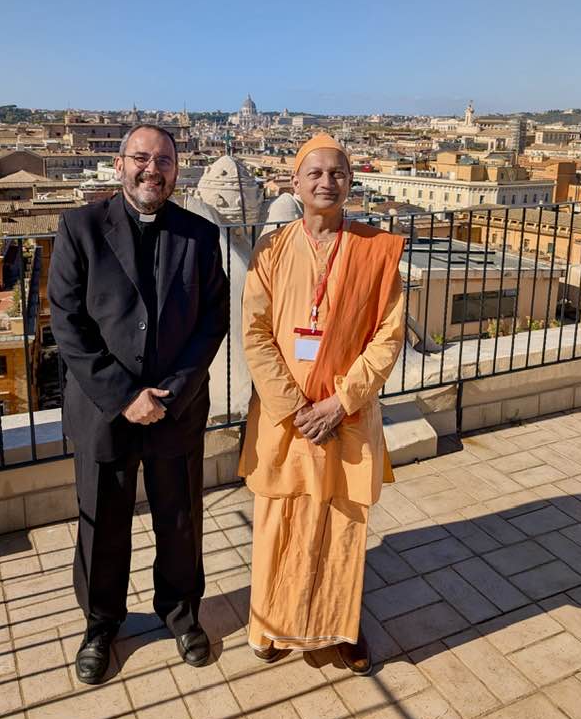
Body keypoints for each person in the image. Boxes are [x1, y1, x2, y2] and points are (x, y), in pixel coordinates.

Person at [48, 124, 229, 685]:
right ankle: (100, 625)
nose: (153, 170)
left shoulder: (200, 235)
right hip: (105, 410)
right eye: (142, 159)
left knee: (180, 519)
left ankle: (181, 615)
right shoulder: (79, 227)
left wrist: (170, 392)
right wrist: (125, 397)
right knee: (102, 522)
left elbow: (213, 320)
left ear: (177, 169)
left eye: (165, 161)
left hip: (175, 407)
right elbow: (68, 323)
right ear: (120, 164)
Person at [239, 133, 405, 674]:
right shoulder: (271, 250)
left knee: (342, 526)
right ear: (296, 182)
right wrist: (295, 407)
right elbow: (255, 333)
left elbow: (388, 336)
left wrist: (339, 402)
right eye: (315, 173)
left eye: (337, 173)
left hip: (346, 416)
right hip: (285, 417)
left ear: (350, 182)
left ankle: (340, 626)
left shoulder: (375, 252)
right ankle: (270, 623)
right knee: (280, 520)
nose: (326, 182)